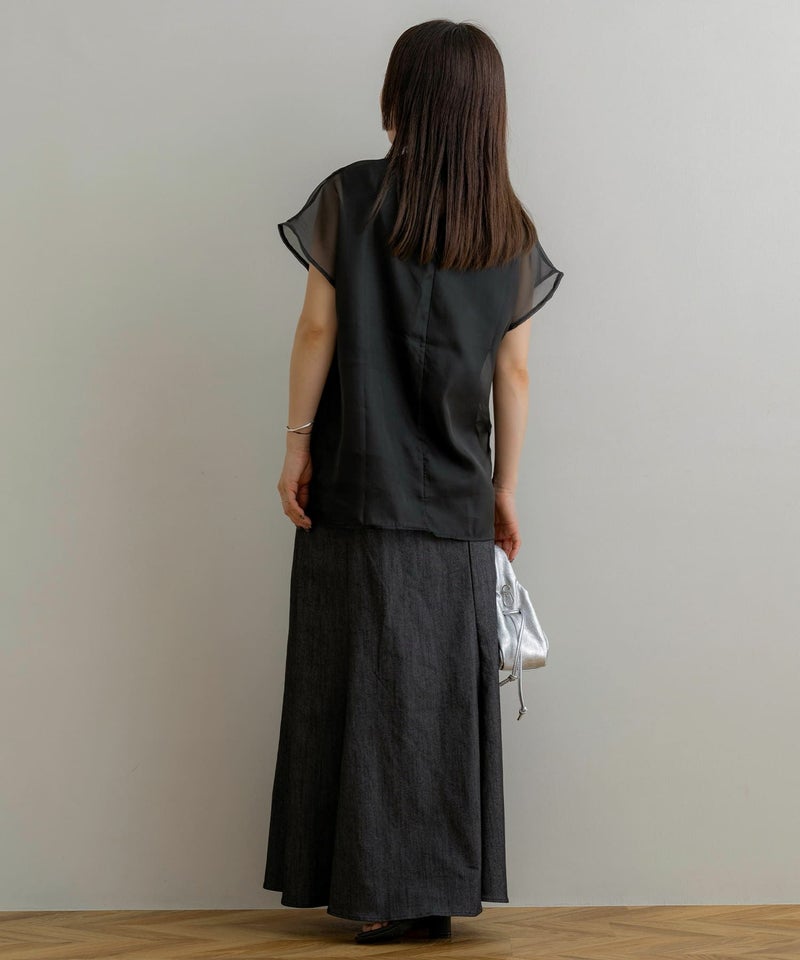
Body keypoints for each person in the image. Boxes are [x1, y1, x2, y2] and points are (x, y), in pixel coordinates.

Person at [263, 18, 564, 945]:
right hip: (456, 503)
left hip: (357, 486)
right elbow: (514, 373)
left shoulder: (351, 197)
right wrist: (505, 489)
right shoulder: (508, 228)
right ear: (487, 112)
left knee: (353, 685)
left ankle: (375, 890)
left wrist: (296, 445)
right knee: (437, 699)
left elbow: (317, 330)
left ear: (401, 96)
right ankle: (429, 893)